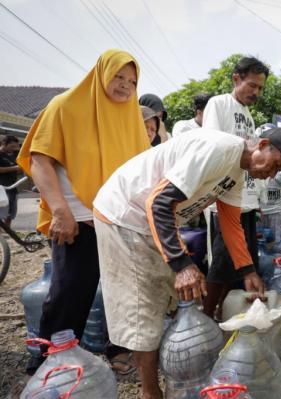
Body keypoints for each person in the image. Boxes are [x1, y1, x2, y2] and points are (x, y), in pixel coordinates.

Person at [93, 126, 281, 399]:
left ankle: (176, 377)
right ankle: (150, 392)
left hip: (151, 223)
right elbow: (159, 201)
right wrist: (182, 265)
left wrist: (248, 270)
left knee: (170, 299)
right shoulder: (219, 149)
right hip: (125, 216)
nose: (270, 175)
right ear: (262, 144)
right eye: (275, 165)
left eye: (276, 173)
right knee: (143, 307)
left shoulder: (236, 172)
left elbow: (230, 221)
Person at [16, 49, 150, 375]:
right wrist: (60, 210)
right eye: (118, 76)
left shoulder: (131, 117)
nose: (124, 86)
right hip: (77, 221)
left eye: (132, 81)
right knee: (69, 293)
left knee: (122, 290)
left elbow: (141, 172)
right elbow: (40, 160)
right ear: (101, 73)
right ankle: (48, 362)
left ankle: (115, 349)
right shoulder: (65, 107)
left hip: (119, 223)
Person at [201, 56, 276, 319]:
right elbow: (212, 146)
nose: (256, 92)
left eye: (260, 88)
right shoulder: (218, 104)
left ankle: (228, 314)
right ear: (236, 79)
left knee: (244, 262)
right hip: (222, 199)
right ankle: (207, 316)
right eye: (252, 85)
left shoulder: (248, 116)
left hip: (245, 200)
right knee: (221, 264)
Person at [256, 125, 281, 243]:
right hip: (264, 211)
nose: (272, 174)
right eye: (277, 164)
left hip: (280, 211)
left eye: (279, 167)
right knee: (264, 245)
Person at [0, 135, 22, 228]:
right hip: (1, 188)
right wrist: (15, 168)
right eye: (11, 146)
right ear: (4, 144)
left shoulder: (14, 154)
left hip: (12, 186)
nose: (14, 149)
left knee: (12, 211)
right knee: (2, 210)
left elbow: (18, 169)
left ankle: (7, 230)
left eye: (15, 147)